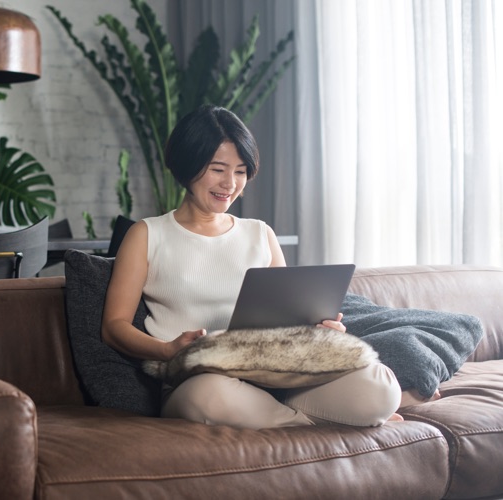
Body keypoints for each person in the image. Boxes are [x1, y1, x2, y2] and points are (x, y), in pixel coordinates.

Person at [101, 104, 403, 429]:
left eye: (241, 171)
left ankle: (281, 421)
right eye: (218, 169)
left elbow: (287, 318)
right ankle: (321, 423)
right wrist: (168, 350)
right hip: (199, 380)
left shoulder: (260, 234)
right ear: (188, 166)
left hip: (274, 376)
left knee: (379, 388)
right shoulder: (148, 234)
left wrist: (316, 329)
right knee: (209, 397)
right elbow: (114, 326)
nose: (230, 183)